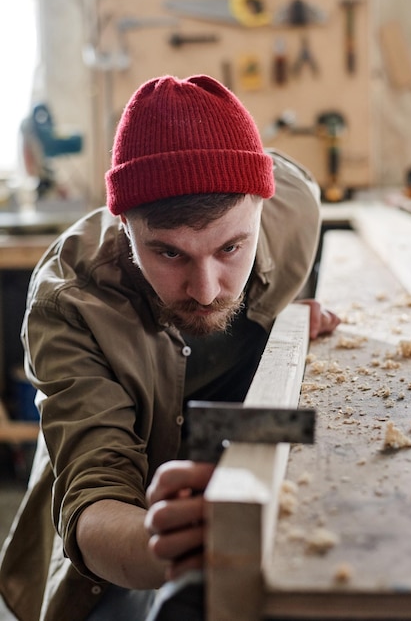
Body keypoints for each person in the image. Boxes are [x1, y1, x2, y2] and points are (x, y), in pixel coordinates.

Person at [0, 74, 339, 621]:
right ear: (123, 224)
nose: (205, 290)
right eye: (169, 254)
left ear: (262, 204)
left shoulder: (295, 204)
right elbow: (93, 496)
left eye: (232, 247)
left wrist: (293, 314)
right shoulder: (70, 302)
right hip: (125, 538)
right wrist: (170, 549)